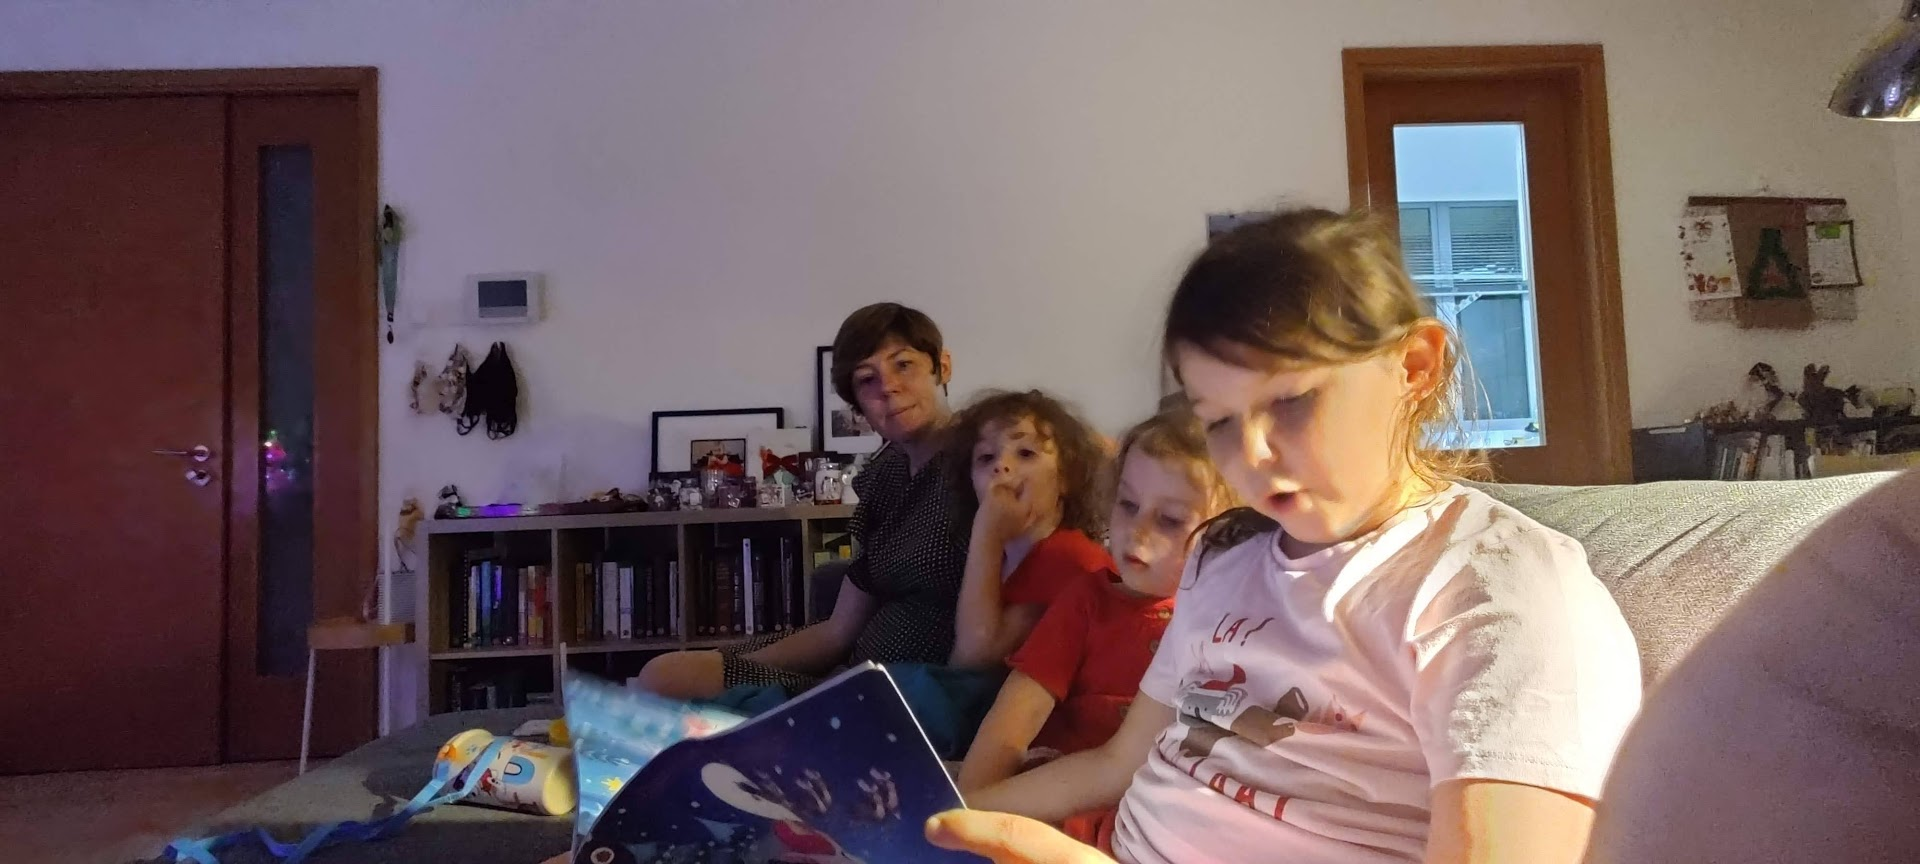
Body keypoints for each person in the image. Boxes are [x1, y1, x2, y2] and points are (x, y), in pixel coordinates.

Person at [942, 208, 1643, 863]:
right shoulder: (1221, 558)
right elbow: (1117, 764)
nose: (1250, 454)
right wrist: (945, 815)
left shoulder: (1501, 592)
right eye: (1218, 419)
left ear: (1415, 366)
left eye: (1290, 400)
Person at [633, 302, 971, 697]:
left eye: (904, 365)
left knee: (669, 680)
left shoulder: (984, 463)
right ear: (858, 405)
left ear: (942, 367)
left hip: (910, 692)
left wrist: (724, 677)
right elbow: (838, 630)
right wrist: (730, 669)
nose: (888, 387)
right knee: (668, 672)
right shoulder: (884, 476)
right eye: (867, 379)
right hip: (850, 671)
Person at [956, 408, 1233, 793]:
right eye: (1128, 505)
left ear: (1226, 535)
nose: (1137, 531)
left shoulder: (1231, 622)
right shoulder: (1086, 600)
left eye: (1170, 519)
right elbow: (1017, 714)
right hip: (1054, 793)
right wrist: (970, 801)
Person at [944, 390, 1113, 670]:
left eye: (1025, 453)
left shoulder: (1073, 561)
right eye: (986, 457)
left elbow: (974, 655)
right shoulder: (999, 562)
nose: (1001, 465)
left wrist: (986, 532)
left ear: (1065, 477)